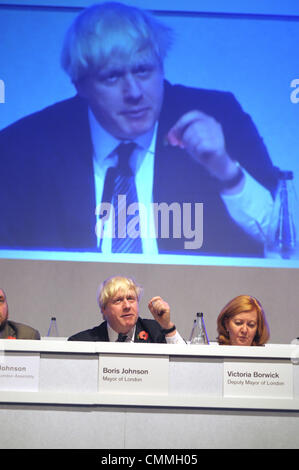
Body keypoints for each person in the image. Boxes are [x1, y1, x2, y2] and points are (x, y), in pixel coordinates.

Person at [0, 2, 279, 257]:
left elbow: (278, 238)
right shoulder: (26, 148)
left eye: (144, 71)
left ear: (161, 68)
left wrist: (224, 168)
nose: (134, 92)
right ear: (80, 85)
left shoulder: (218, 117)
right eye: (112, 77)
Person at [68, 276, 184, 343]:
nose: (127, 306)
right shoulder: (83, 342)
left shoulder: (156, 332)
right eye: (118, 300)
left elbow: (184, 366)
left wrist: (167, 326)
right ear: (104, 309)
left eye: (131, 299)